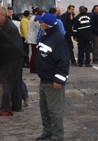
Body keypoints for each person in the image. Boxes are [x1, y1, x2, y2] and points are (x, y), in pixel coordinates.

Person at [34, 13, 69, 141]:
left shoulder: (57, 39)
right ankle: (48, 132)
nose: (39, 24)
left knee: (55, 111)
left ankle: (57, 136)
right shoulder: (46, 36)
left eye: (41, 22)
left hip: (52, 82)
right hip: (44, 80)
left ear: (46, 25)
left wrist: (58, 80)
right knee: (45, 110)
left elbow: (63, 61)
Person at [0, 5, 30, 106]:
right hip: (2, 59)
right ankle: (4, 102)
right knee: (6, 81)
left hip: (12, 59)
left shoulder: (10, 28)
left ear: (3, 15)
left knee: (11, 81)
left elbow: (15, 45)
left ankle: (11, 103)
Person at [28, 8, 42, 73]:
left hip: (32, 38)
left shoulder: (32, 18)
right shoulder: (35, 19)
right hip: (34, 38)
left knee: (34, 53)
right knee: (35, 54)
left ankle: (33, 67)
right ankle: (33, 67)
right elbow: (38, 28)